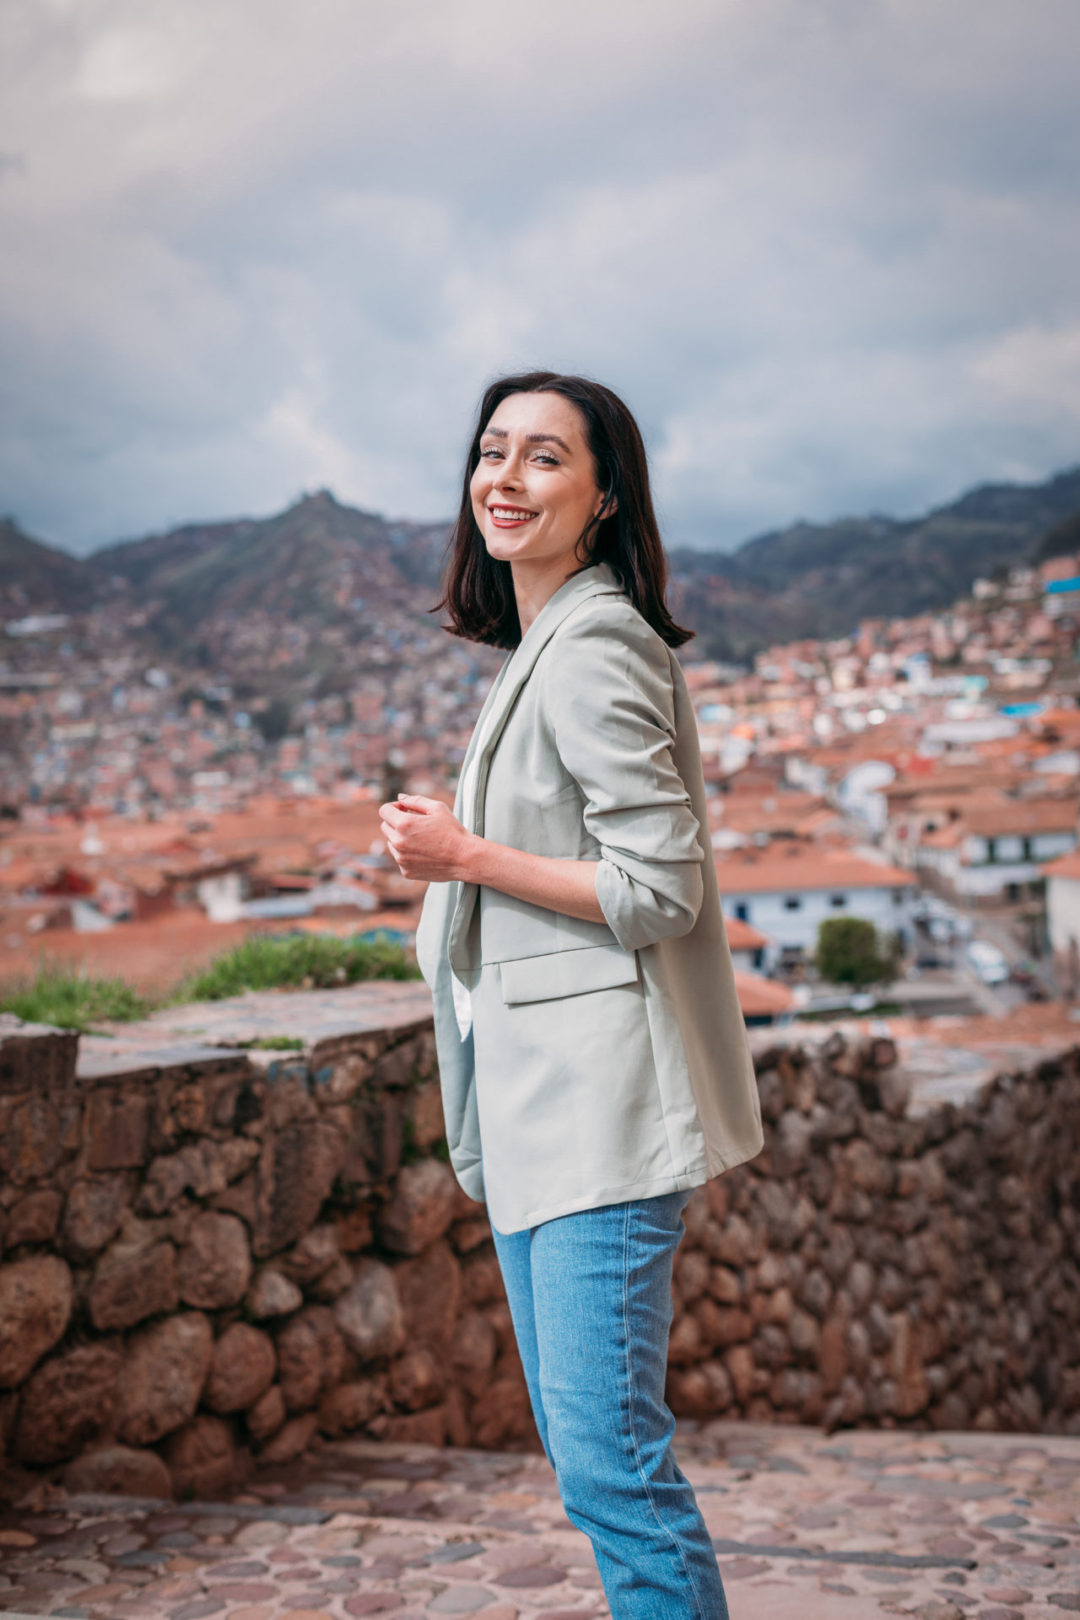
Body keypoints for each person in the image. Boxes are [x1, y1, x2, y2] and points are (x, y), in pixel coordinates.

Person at [379, 371, 763, 1620]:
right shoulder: (542, 648)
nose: (505, 477)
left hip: (603, 1112)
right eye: (492, 451)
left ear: (602, 499)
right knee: (594, 1465)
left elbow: (662, 889)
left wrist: (464, 857)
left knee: (615, 1472)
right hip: (550, 1114)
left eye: (545, 458)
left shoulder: (595, 643)